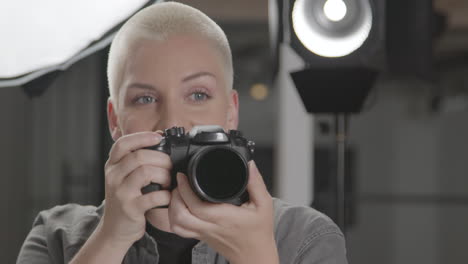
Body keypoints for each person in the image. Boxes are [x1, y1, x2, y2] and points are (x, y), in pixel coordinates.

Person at [16, 2, 347, 264]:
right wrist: (111, 238)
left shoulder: (302, 238)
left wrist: (256, 257)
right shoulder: (56, 237)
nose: (172, 120)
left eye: (198, 95)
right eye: (145, 98)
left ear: (231, 111)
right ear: (115, 120)